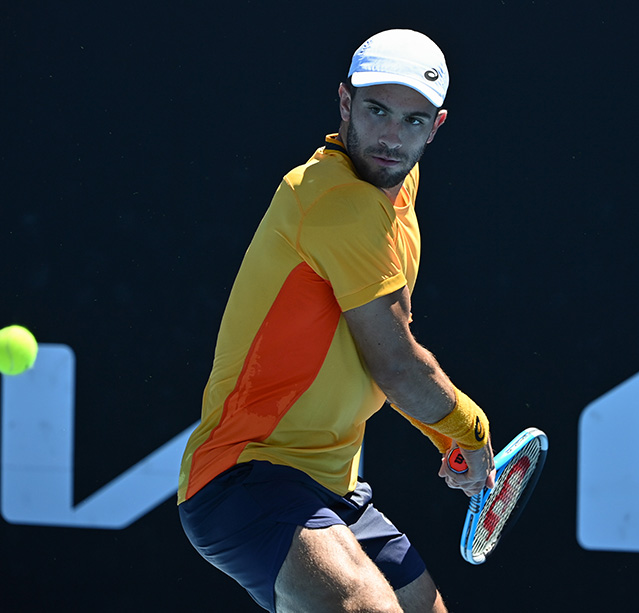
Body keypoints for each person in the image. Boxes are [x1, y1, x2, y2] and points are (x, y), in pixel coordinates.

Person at [178, 29, 496, 613]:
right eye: (377, 111)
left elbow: (372, 357)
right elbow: (396, 365)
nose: (391, 138)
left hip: (333, 485)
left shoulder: (394, 179)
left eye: (413, 122)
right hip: (244, 474)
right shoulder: (338, 201)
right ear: (345, 103)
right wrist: (468, 430)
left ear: (437, 126)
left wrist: (443, 431)